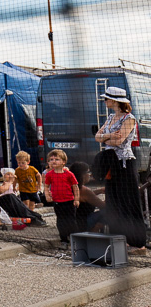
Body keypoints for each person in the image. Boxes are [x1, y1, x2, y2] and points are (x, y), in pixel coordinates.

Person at [93, 86, 147, 255]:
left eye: (107, 99)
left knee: (128, 202)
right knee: (114, 202)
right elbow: (97, 137)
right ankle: (120, 240)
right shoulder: (110, 117)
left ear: (115, 101)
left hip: (124, 164)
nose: (105, 101)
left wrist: (106, 137)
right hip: (111, 163)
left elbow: (120, 140)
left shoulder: (129, 119)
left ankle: (138, 244)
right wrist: (109, 136)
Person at [0, 158, 45, 226]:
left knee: (12, 197)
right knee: (10, 197)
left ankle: (34, 216)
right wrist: (10, 181)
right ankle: (30, 218)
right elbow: (0, 190)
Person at [41, 149, 80, 243]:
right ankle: (63, 239)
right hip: (57, 202)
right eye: (51, 159)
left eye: (56, 159)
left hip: (69, 201)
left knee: (71, 220)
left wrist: (77, 199)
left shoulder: (69, 174)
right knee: (60, 220)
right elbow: (46, 186)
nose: (53, 161)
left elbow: (75, 187)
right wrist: (47, 196)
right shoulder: (49, 175)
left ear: (63, 162)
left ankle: (74, 238)